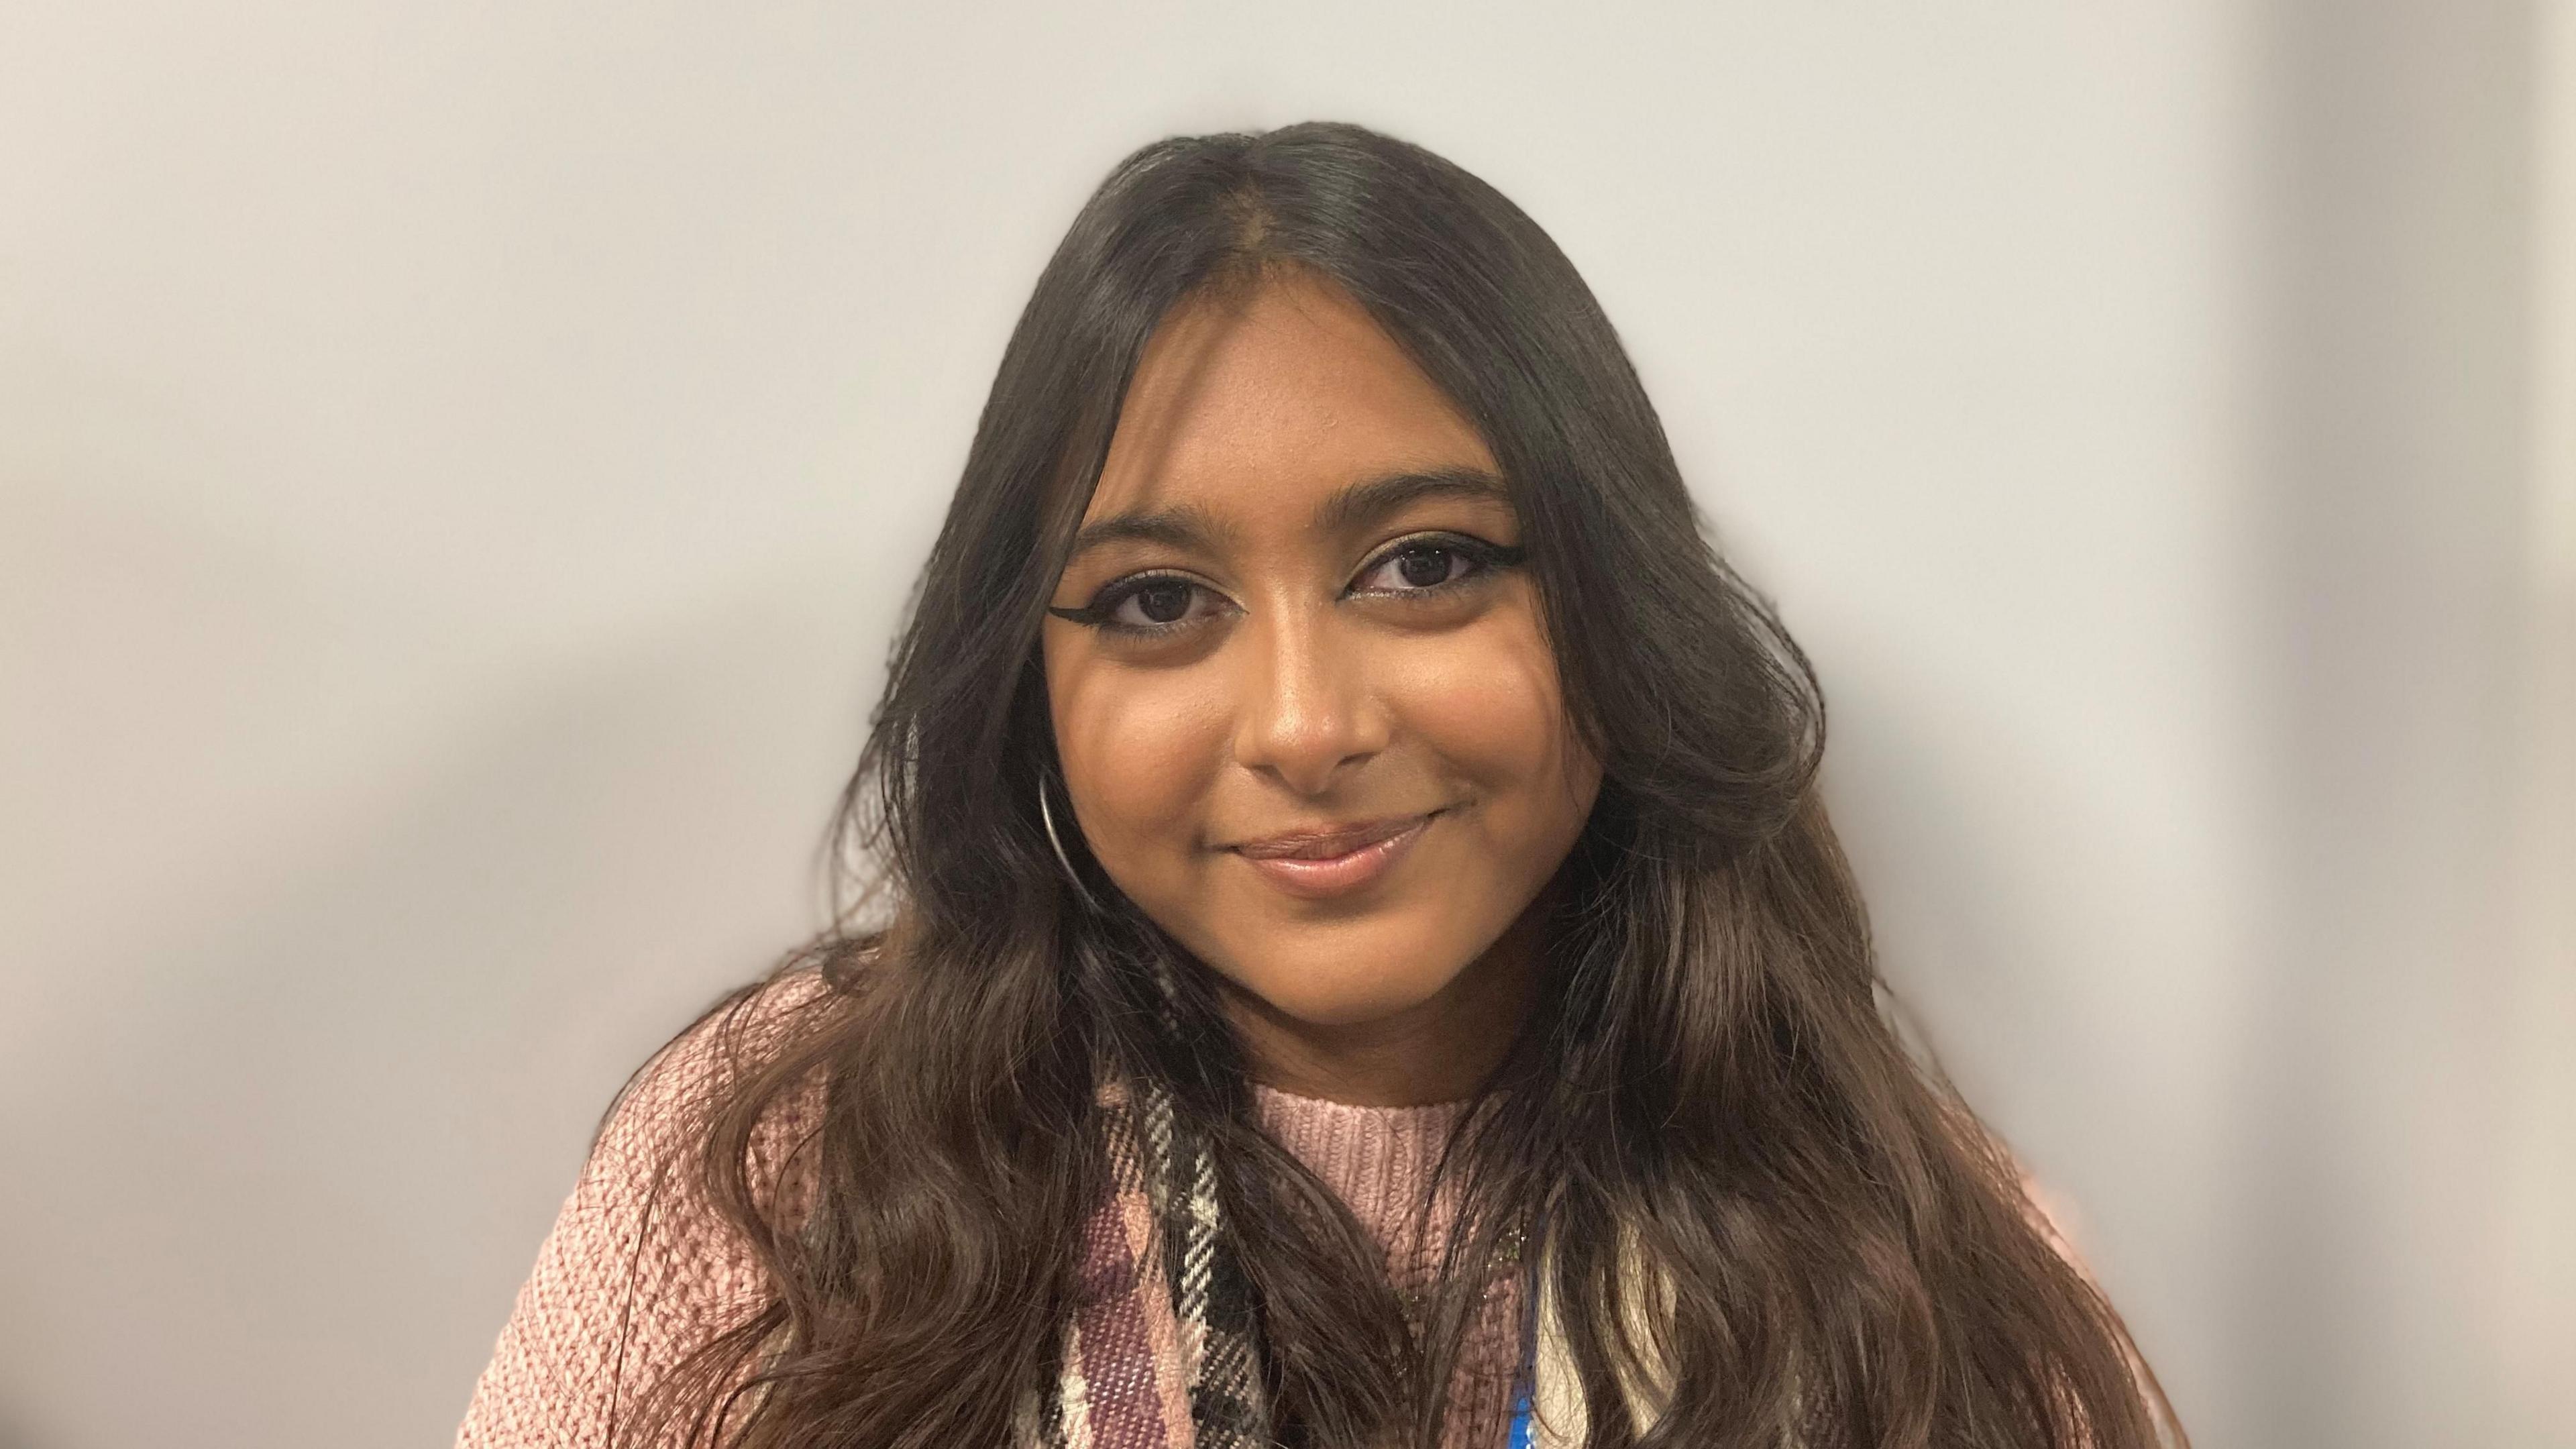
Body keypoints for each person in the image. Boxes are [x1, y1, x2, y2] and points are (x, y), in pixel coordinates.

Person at [454, 120, 2182, 1449]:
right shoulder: (784, 1176)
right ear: (1029, 688)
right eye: (1157, 603)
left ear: (1617, 608)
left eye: (1427, 565)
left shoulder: (1912, 1265)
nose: (1299, 724)